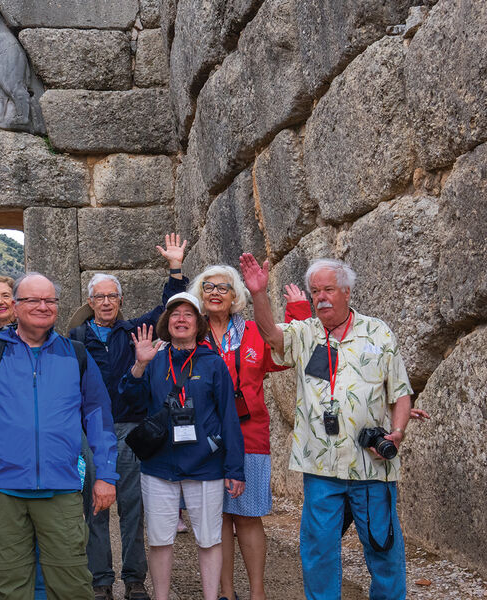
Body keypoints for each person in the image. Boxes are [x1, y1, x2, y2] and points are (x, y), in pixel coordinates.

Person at [238, 255, 424, 600]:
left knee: (383, 547)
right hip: (321, 466)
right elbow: (271, 335)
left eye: (328, 289)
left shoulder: (378, 331)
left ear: (347, 292)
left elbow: (400, 392)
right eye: (314, 291)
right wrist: (259, 293)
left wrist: (396, 433)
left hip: (372, 464)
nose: (320, 297)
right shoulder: (306, 332)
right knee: (319, 550)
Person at [0, 273, 119, 600]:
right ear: (15, 306)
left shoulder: (77, 355)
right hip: (3, 490)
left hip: (61, 489)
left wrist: (107, 476)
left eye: (50, 301)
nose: (43, 307)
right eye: (33, 300)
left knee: (72, 586)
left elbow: (99, 418)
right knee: (12, 587)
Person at [65, 235, 191, 600]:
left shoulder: (137, 331)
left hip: (131, 431)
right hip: (91, 434)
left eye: (112, 296)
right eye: (99, 296)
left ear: (120, 301)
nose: (106, 302)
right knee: (96, 509)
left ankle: (134, 579)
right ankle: (101, 580)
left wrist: (175, 267)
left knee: (134, 509)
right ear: (90, 302)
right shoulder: (74, 340)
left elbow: (169, 307)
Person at [185, 266, 311, 600]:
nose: (215, 292)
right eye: (208, 286)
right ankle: (225, 593)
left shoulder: (255, 333)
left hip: (250, 435)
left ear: (235, 296)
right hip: (204, 439)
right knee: (219, 519)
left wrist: (297, 311)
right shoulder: (190, 336)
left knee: (249, 516)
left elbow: (288, 352)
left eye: (223, 287)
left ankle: (258, 593)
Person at [122, 293, 244, 600]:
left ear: (198, 323)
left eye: (188, 314)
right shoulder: (154, 360)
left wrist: (235, 469)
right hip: (159, 465)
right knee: (160, 539)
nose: (181, 319)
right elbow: (130, 402)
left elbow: (229, 416)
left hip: (205, 463)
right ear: (166, 322)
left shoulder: (213, 363)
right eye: (175, 313)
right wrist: (139, 365)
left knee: (209, 539)